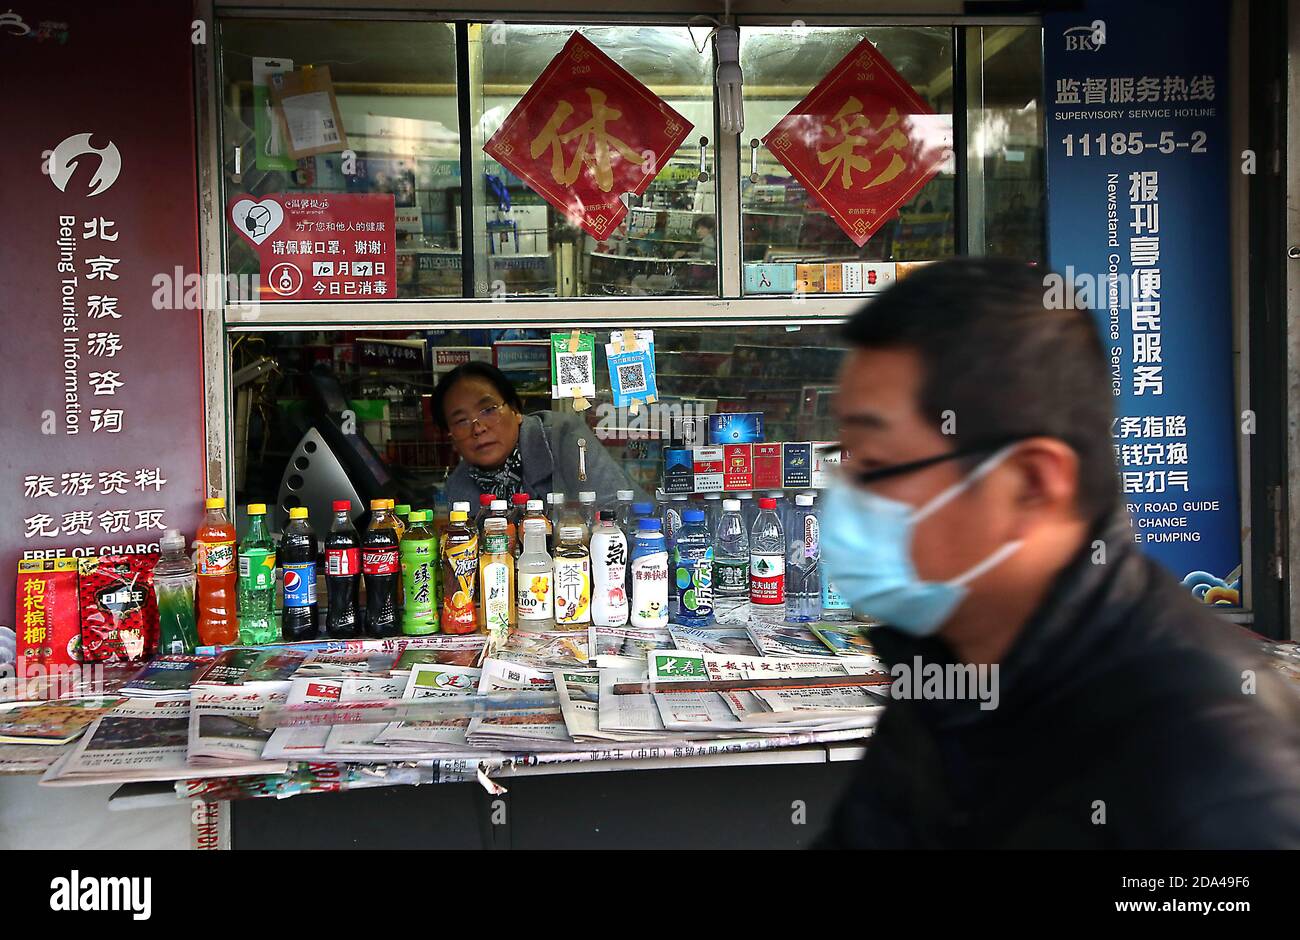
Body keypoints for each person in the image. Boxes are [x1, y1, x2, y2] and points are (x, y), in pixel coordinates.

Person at [816, 257, 1300, 849]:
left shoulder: (1213, 768)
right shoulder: (950, 666)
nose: (844, 498)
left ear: (1031, 483)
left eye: (876, 465)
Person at [433, 361, 646, 509]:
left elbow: (618, 511)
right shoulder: (460, 486)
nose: (478, 429)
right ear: (451, 438)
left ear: (516, 411)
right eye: (461, 421)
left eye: (488, 410)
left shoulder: (562, 437)